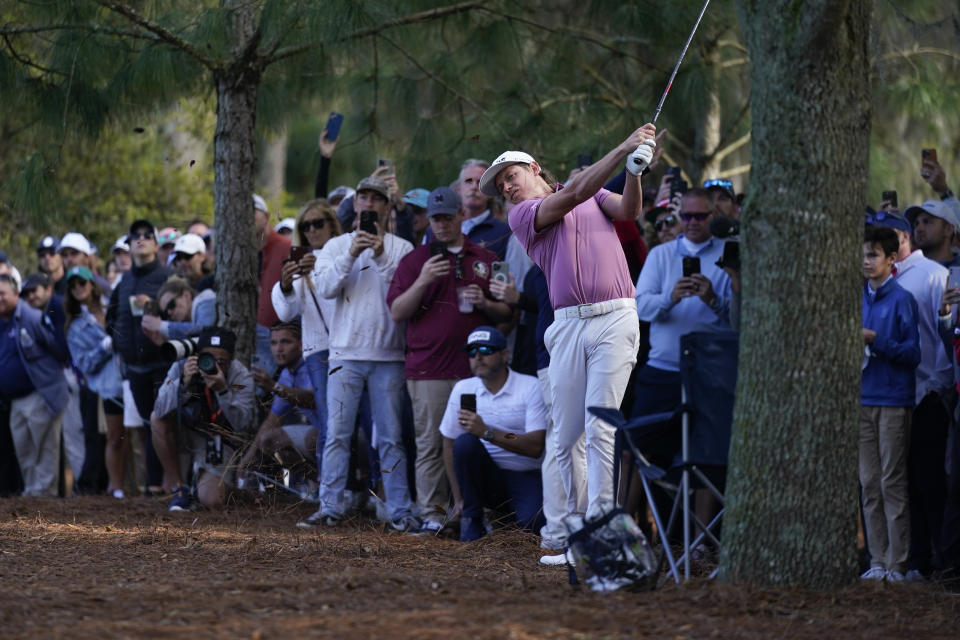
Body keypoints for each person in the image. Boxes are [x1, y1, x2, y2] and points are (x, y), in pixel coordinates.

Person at [481, 126, 656, 529]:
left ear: (534, 168)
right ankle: (575, 531)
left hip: (615, 315)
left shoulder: (592, 190)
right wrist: (623, 148)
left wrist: (634, 171)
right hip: (566, 326)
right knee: (566, 436)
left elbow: (629, 212)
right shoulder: (522, 214)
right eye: (500, 185)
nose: (506, 187)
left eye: (511, 176)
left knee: (599, 426)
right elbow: (573, 195)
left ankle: (600, 530)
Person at [387, 186, 511, 533]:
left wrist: (486, 303)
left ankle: (477, 511)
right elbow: (397, 311)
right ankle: (432, 514)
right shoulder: (413, 261)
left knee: (479, 442)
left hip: (479, 371)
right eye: (435, 218)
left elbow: (509, 316)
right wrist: (424, 279)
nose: (440, 225)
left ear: (462, 217)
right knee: (429, 445)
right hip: (427, 369)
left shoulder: (488, 259)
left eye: (447, 218)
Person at [299, 176, 418, 531]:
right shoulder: (335, 246)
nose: (368, 203)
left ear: (385, 206)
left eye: (375, 198)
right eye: (363, 197)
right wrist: (353, 253)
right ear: (356, 205)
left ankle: (399, 511)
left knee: (391, 437)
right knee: (336, 432)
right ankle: (330, 506)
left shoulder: (402, 248)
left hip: (389, 354)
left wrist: (379, 253)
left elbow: (402, 293)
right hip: (344, 354)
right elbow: (326, 288)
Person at [867, 207, 952, 580]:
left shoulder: (927, 280)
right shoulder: (865, 291)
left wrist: (940, 384)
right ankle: (885, 560)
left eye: (874, 253)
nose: (867, 261)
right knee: (877, 482)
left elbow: (929, 343)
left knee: (913, 481)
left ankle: (920, 561)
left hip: (920, 394)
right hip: (874, 395)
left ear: (900, 243)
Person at [438, 326, 547, 541]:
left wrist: (489, 433)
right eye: (471, 352)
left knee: (533, 525)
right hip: (485, 474)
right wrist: (459, 499)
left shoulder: (530, 387)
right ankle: (472, 517)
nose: (478, 357)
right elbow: (449, 445)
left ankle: (501, 519)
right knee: (465, 443)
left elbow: (534, 445)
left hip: (525, 474)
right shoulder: (463, 388)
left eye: (486, 350)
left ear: (505, 355)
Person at [860, 225, 921, 582]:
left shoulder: (903, 300)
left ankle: (898, 563)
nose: (866, 262)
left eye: (873, 255)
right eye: (864, 255)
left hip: (895, 400)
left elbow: (913, 354)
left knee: (891, 481)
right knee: (868, 482)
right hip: (862, 398)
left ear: (891, 259)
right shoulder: (857, 297)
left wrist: (877, 340)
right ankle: (877, 560)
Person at [271, 198, 341, 484]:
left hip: (353, 348)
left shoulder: (345, 254)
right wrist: (287, 284)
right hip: (318, 350)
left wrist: (323, 267)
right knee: (328, 421)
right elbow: (286, 311)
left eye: (318, 223)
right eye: (305, 226)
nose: (312, 230)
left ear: (332, 225)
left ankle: (367, 487)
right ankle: (330, 491)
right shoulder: (300, 264)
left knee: (361, 421)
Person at [150, 326, 255, 510]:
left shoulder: (241, 375)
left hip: (222, 441)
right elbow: (159, 410)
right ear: (198, 355)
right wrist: (182, 383)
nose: (213, 365)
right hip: (188, 433)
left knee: (212, 500)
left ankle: (226, 489)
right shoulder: (183, 366)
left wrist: (223, 391)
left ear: (231, 360)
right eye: (208, 358)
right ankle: (180, 489)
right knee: (157, 421)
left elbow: (241, 423)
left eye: (221, 361)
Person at [107, 219, 175, 494]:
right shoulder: (123, 281)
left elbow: (179, 315)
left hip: (162, 363)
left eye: (148, 235)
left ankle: (169, 485)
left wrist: (153, 305)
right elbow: (111, 318)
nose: (141, 239)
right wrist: (119, 342)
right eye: (135, 235)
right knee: (147, 425)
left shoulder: (167, 277)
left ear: (156, 243)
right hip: (134, 368)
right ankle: (152, 487)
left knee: (164, 423)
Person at [0, 273, 69, 496]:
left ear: (15, 294)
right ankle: (31, 496)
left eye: (2, 294)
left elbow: (56, 346)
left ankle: (46, 501)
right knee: (25, 450)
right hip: (15, 399)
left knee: (44, 449)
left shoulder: (30, 316)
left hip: (39, 394)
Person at [63, 266, 127, 498]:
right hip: (103, 386)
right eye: (73, 285)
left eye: (82, 282)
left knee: (133, 436)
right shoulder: (74, 327)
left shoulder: (111, 305)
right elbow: (84, 363)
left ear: (92, 284)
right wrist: (104, 347)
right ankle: (114, 487)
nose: (78, 288)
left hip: (127, 378)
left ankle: (132, 485)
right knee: (110, 437)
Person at [241, 321, 319, 485]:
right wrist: (248, 458)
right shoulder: (287, 372)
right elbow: (273, 420)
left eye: (286, 342)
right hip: (324, 437)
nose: (279, 349)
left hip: (352, 437)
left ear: (301, 344)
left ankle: (346, 488)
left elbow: (311, 399)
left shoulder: (313, 364)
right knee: (269, 440)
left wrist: (273, 386)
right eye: (274, 343)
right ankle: (320, 483)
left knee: (314, 438)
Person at [254, 194, 292, 376]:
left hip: (281, 337)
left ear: (267, 216)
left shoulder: (286, 246)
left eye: (252, 212)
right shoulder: (237, 252)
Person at [140, 277, 216, 343]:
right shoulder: (186, 322)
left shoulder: (205, 299)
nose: (169, 312)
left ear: (186, 295)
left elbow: (205, 329)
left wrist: (162, 326)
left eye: (171, 305)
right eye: (166, 312)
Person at [904, 200, 960, 268]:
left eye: (926, 222)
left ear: (948, 229)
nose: (919, 229)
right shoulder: (907, 269)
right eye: (916, 224)